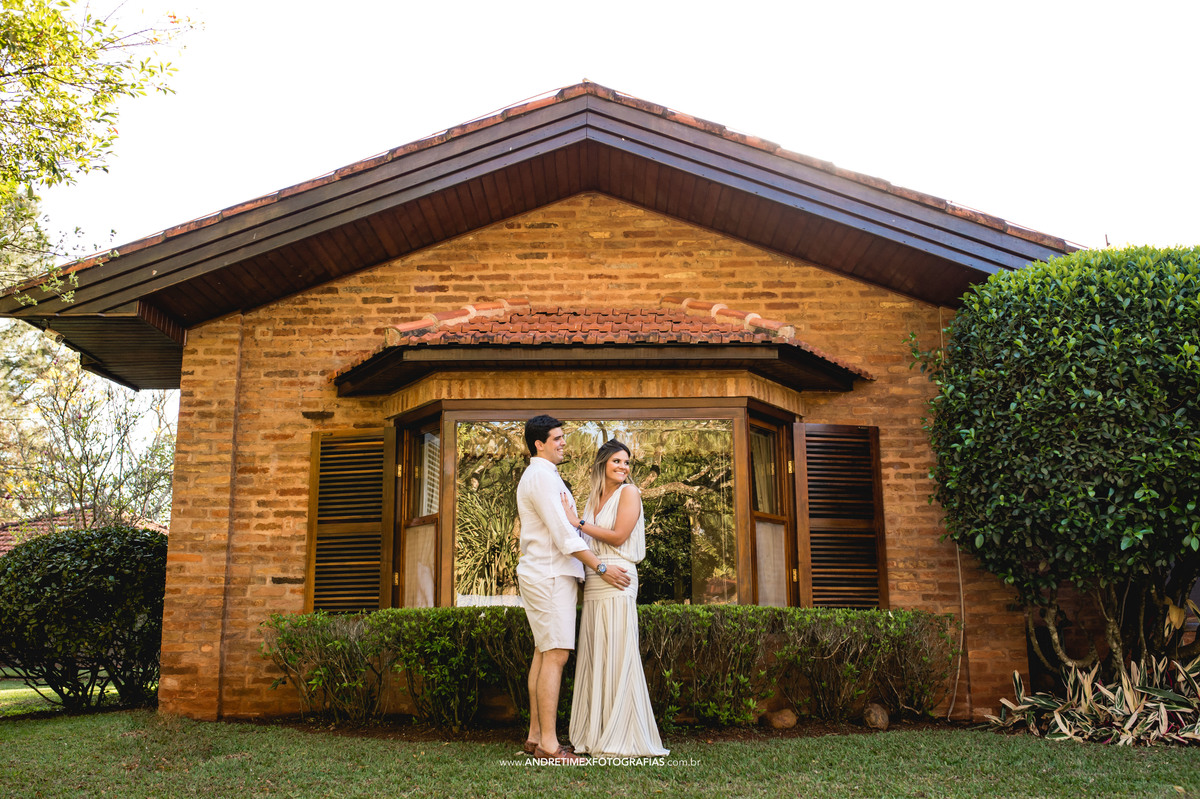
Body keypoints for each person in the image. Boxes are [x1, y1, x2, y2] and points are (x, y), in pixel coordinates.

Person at [515, 415, 629, 763]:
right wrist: (601, 566)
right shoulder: (540, 478)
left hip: (547, 573)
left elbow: (569, 527)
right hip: (550, 575)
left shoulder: (544, 475)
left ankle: (536, 737)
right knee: (556, 655)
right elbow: (563, 535)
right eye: (558, 438)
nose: (564, 443)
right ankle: (550, 745)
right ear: (540, 443)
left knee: (544, 652)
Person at [562, 439, 669, 757]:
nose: (623, 467)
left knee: (619, 652)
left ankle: (622, 733)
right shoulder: (593, 497)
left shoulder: (630, 493)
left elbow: (620, 535)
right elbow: (582, 542)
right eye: (617, 462)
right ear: (602, 464)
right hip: (595, 579)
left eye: (627, 462)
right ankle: (593, 732)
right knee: (596, 654)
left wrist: (578, 523)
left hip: (619, 577)